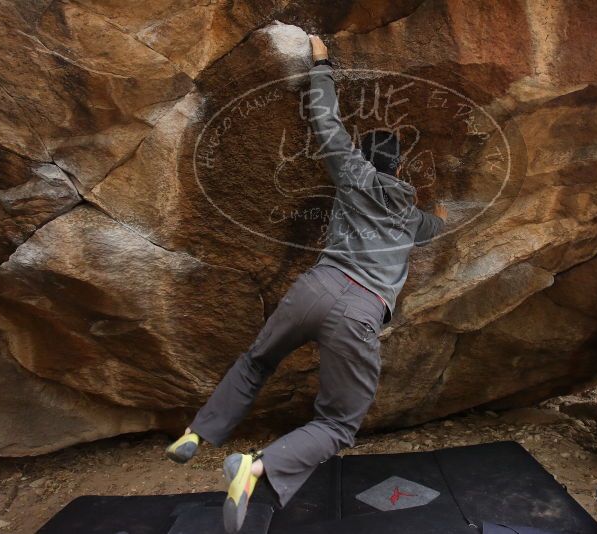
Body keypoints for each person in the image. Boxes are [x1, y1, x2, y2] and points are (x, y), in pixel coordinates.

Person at [165, 34, 448, 533]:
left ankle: (197, 432)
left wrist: (322, 62)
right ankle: (255, 468)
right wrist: (435, 210)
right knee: (339, 423)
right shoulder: (409, 215)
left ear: (364, 156)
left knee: (257, 360)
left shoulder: (353, 174)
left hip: (315, 286)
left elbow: (325, 119)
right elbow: (435, 226)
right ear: (399, 167)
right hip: (359, 310)